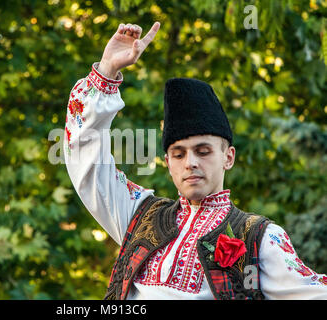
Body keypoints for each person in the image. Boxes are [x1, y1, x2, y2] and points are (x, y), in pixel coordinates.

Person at [64, 21, 327, 300]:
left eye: (203, 151)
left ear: (228, 157)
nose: (190, 163)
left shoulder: (259, 237)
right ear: (167, 162)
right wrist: (107, 68)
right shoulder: (138, 214)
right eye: (179, 154)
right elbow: (85, 158)